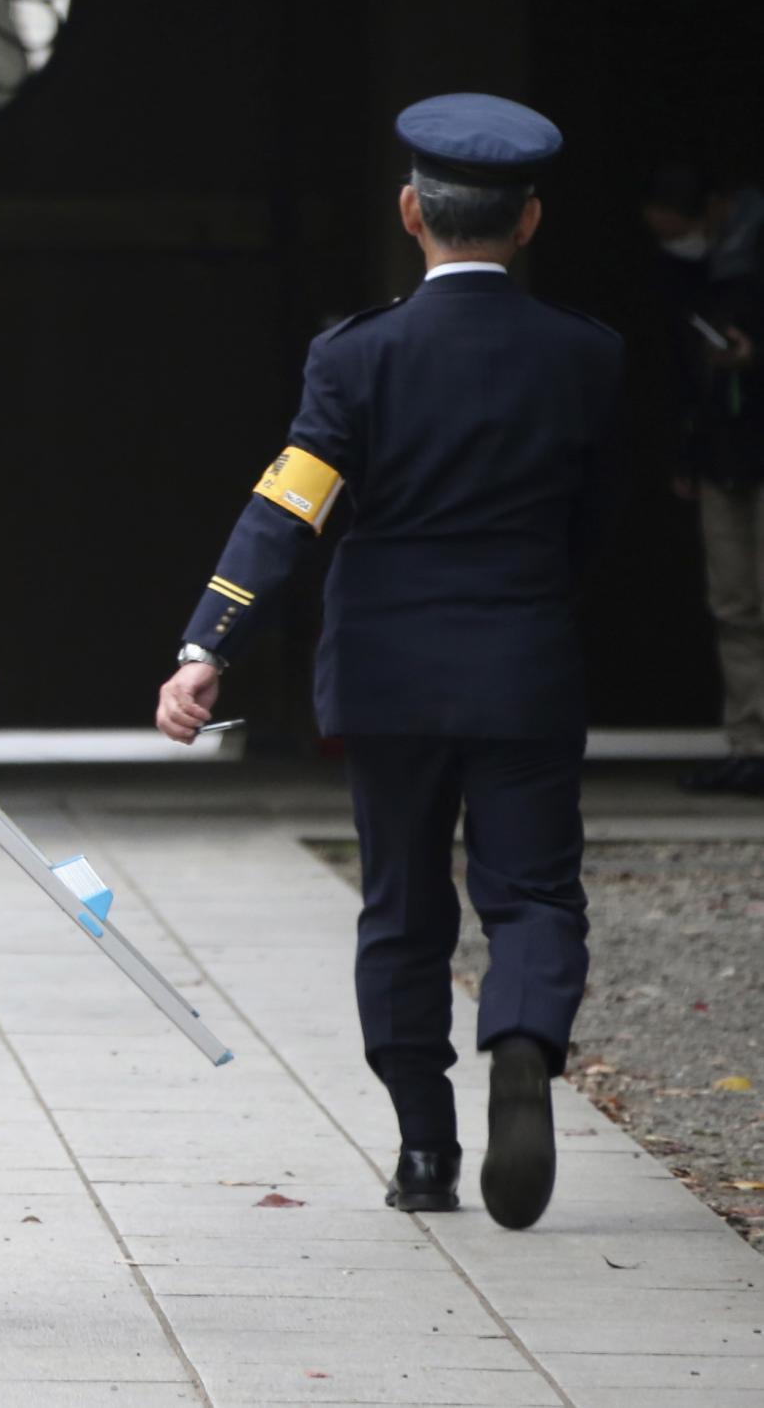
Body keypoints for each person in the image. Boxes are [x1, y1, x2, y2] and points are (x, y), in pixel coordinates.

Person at [156, 94, 621, 1231]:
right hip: (523, 662)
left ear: (410, 212)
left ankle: (424, 1148)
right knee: (532, 893)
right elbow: (593, 532)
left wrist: (208, 643)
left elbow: (288, 510)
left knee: (402, 909)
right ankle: (521, 1044)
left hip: (387, 676)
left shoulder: (354, 355)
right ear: (529, 221)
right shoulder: (587, 356)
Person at [641, 164, 764, 795]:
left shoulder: (749, 251)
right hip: (723, 455)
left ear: (714, 207)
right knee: (734, 605)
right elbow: (687, 375)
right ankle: (750, 742)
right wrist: (688, 453)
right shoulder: (694, 275)